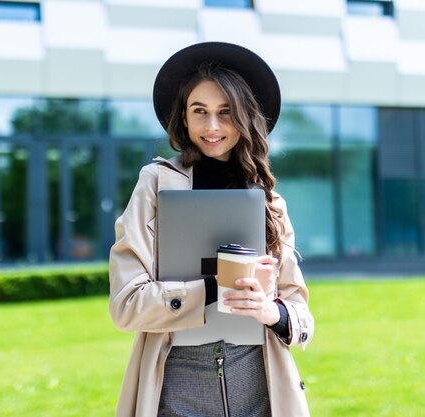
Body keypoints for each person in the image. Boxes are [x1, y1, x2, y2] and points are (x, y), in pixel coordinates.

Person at [109, 42, 314, 417]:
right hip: (176, 383)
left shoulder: (270, 201)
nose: (213, 126)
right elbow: (126, 306)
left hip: (260, 382)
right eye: (199, 111)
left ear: (245, 117)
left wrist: (273, 312)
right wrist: (215, 286)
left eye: (226, 113)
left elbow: (300, 314)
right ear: (183, 119)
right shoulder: (155, 184)